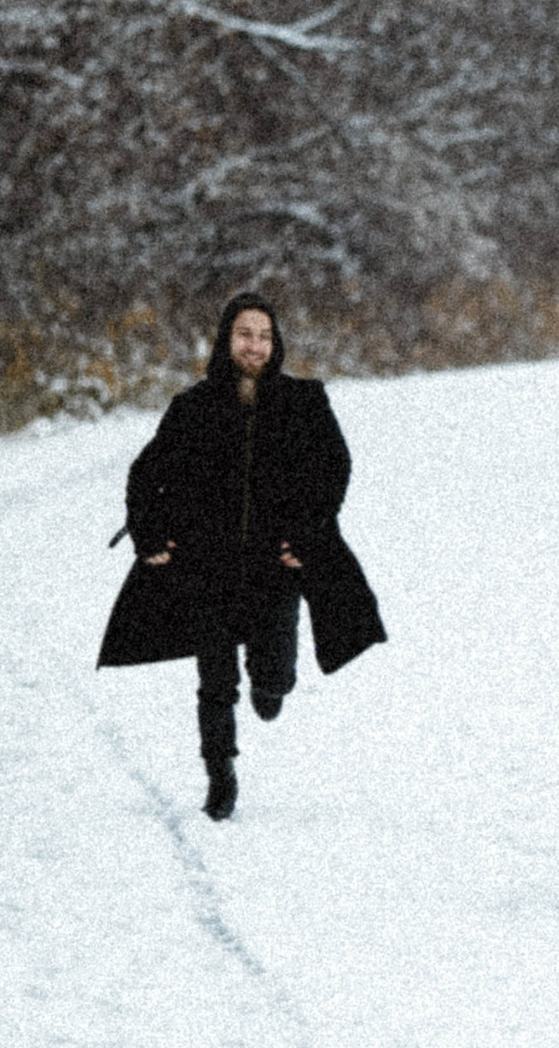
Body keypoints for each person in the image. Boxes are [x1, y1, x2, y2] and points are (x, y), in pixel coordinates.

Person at [98, 291, 385, 818]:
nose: (254, 345)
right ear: (227, 339)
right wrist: (150, 535)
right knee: (215, 680)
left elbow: (333, 473)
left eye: (264, 336)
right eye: (245, 334)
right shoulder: (193, 408)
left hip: (275, 567)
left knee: (274, 676)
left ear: (275, 344)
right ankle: (219, 773)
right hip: (206, 566)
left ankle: (271, 685)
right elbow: (147, 473)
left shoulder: (305, 403)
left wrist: (310, 539)